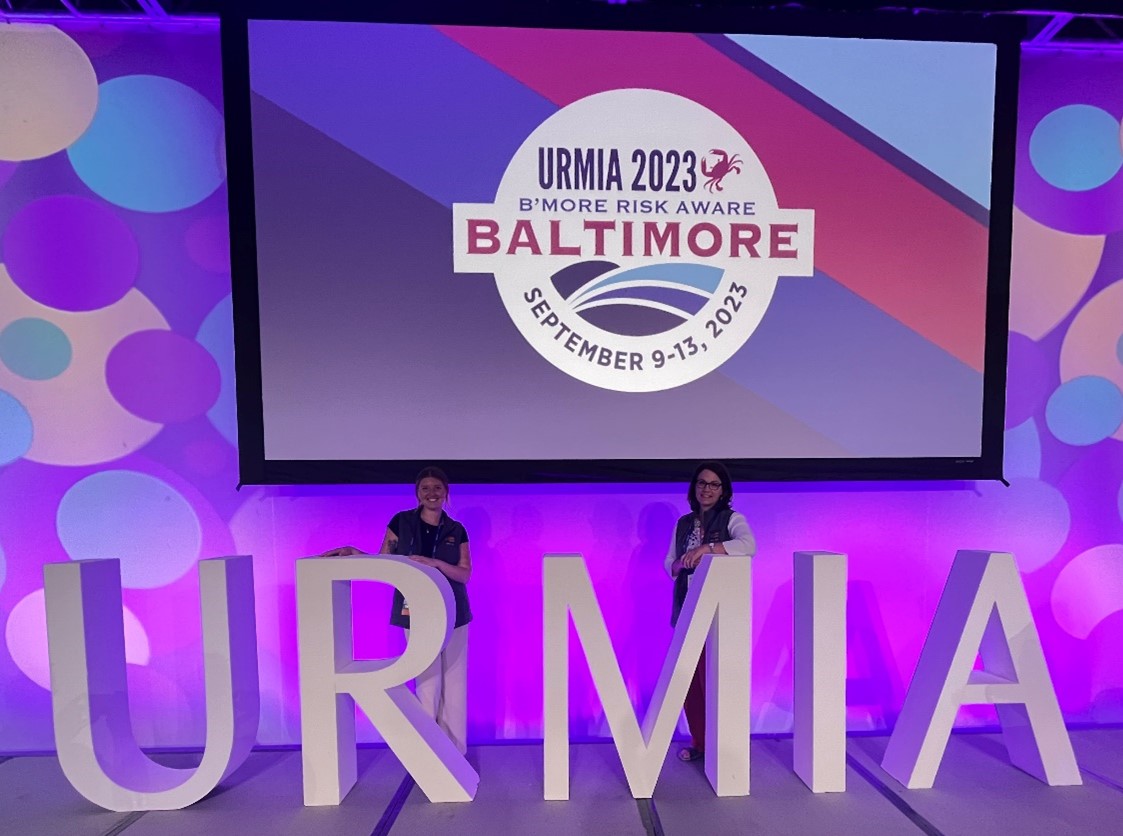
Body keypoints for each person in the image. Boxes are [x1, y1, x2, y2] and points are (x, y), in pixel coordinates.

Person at [322, 466, 472, 754]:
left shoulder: (456, 529)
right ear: (417, 492)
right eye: (425, 488)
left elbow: (464, 574)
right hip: (415, 613)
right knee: (427, 684)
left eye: (437, 488)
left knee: (454, 686)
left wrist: (435, 563)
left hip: (455, 613)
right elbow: (385, 561)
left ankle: (456, 753)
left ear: (446, 492)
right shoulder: (401, 522)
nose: (431, 493)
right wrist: (356, 553)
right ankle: (429, 754)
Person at [664, 461, 755, 763]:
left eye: (714, 484)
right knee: (689, 683)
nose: (707, 489)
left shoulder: (732, 519)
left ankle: (722, 748)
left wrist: (706, 550)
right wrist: (681, 564)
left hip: (716, 612)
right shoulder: (683, 523)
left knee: (713, 680)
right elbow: (671, 565)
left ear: (723, 490)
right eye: (702, 483)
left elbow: (748, 545)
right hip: (688, 609)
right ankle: (701, 742)